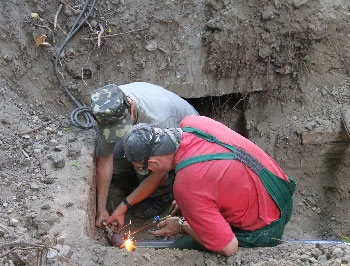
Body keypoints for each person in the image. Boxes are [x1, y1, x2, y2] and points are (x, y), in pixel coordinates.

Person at [122, 115, 296, 256]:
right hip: (279, 192)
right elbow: (213, 175)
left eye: (143, 168)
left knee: (181, 247)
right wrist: (190, 204)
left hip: (267, 228)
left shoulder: (187, 185)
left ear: (153, 162)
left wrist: (183, 225)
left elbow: (229, 248)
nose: (148, 171)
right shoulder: (192, 122)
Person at [90, 82, 198, 228]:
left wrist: (123, 207)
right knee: (117, 162)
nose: (118, 133)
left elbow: (160, 169)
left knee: (145, 166)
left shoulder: (158, 119)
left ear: (132, 108)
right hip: (143, 134)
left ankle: (163, 192)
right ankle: (139, 181)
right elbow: (105, 159)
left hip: (184, 138)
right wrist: (101, 209)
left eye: (122, 128)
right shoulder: (107, 113)